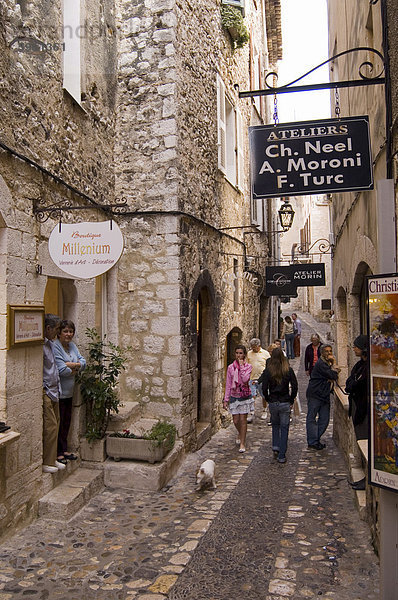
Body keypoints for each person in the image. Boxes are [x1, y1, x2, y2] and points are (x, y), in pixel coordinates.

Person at [53, 319, 86, 463]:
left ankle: (64, 449)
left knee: (67, 422)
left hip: (70, 392)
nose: (68, 334)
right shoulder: (55, 346)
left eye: (71, 331)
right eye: (65, 331)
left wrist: (72, 365)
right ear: (59, 333)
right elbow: (61, 370)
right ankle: (58, 452)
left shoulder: (72, 346)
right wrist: (74, 367)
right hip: (59, 392)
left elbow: (84, 363)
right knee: (58, 423)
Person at [260, 348, 298, 463]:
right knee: (284, 427)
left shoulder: (268, 371)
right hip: (284, 402)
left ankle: (275, 446)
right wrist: (291, 399)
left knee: (275, 425)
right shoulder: (288, 370)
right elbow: (295, 386)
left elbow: (264, 387)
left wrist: (268, 399)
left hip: (273, 402)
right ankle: (282, 455)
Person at [42, 314, 66, 474]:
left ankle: (53, 458)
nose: (58, 333)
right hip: (47, 389)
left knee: (56, 423)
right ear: (48, 328)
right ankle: (47, 461)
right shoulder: (41, 345)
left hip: (54, 389)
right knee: (50, 426)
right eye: (57, 329)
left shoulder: (50, 344)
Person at [306, 344, 340, 450]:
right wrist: (334, 364)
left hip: (324, 394)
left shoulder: (326, 363)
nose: (329, 353)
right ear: (321, 353)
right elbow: (333, 375)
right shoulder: (321, 364)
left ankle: (315, 439)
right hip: (315, 394)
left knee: (324, 419)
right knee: (312, 417)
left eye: (330, 351)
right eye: (326, 351)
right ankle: (313, 441)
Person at [346, 334, 368, 490]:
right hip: (357, 408)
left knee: (366, 443)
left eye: (356, 346)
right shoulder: (360, 365)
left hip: (364, 410)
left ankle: (368, 478)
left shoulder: (367, 368)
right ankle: (366, 478)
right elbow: (350, 382)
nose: (353, 348)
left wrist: (353, 383)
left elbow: (356, 384)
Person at [223, 345, 253, 453]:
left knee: (243, 420)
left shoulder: (248, 367)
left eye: (240, 353)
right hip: (234, 396)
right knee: (235, 421)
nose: (238, 355)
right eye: (237, 353)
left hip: (244, 396)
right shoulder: (231, 367)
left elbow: (245, 379)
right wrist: (226, 399)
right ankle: (241, 433)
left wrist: (241, 368)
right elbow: (228, 384)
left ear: (244, 354)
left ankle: (242, 442)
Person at [247, 338, 270, 422]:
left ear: (259, 346)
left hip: (262, 379)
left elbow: (268, 366)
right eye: (252, 347)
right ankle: (252, 413)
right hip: (252, 378)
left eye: (254, 347)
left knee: (264, 395)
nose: (253, 349)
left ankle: (264, 410)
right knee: (252, 396)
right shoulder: (249, 354)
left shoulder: (265, 354)